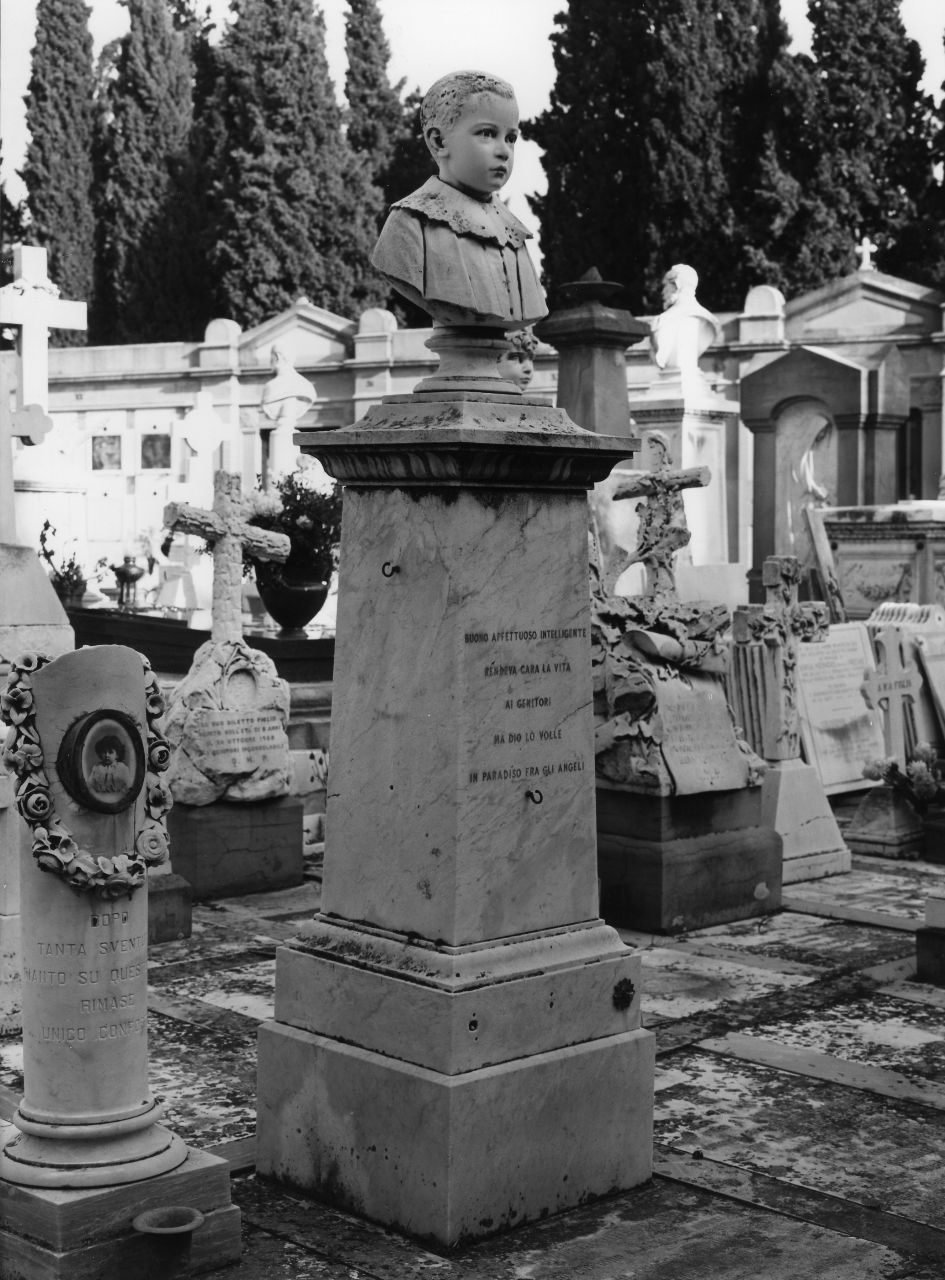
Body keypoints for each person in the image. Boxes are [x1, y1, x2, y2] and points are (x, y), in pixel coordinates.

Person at [371, 71, 547, 329]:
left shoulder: (514, 235)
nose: (503, 151)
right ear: (439, 141)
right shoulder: (409, 225)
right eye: (487, 133)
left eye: (510, 138)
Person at [649, 264, 721, 378]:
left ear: (677, 285)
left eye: (665, 286)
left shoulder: (705, 319)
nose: (662, 292)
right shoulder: (659, 321)